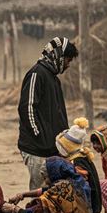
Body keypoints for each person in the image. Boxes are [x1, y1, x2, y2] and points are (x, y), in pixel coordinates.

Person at [18, 36, 77, 190]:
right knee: (39, 192)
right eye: (68, 60)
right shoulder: (36, 74)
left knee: (53, 193)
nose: (68, 64)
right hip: (37, 148)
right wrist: (40, 136)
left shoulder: (54, 79)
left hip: (51, 149)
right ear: (58, 55)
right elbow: (27, 108)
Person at [55, 117, 103, 213]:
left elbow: (82, 182)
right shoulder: (83, 156)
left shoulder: (77, 162)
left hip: (88, 200)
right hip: (92, 197)